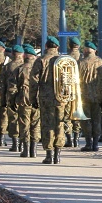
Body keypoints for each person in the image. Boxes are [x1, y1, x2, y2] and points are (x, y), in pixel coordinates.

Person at [31, 36, 65, 164]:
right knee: (59, 124)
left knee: (47, 124)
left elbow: (33, 81)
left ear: (46, 46)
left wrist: (33, 98)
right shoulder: (63, 60)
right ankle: (58, 154)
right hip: (61, 97)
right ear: (57, 47)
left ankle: (49, 155)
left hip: (45, 96)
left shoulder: (41, 60)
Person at [15, 44, 41, 158]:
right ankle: (34, 150)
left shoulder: (20, 69)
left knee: (24, 123)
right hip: (37, 98)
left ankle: (26, 150)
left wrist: (12, 101)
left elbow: (12, 87)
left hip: (23, 98)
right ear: (34, 57)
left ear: (25, 55)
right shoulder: (39, 68)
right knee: (35, 124)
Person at [77, 41, 102, 152]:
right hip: (97, 95)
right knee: (97, 119)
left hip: (83, 95)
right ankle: (96, 143)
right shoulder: (101, 62)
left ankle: (88, 143)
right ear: (94, 50)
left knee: (85, 119)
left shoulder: (80, 63)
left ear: (85, 51)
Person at [1, 46, 25, 151]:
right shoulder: (27, 66)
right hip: (25, 96)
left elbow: (2, 84)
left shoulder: (7, 66)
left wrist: (3, 99)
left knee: (13, 119)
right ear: (22, 54)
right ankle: (24, 143)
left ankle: (15, 143)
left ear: (12, 54)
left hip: (11, 95)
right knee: (25, 119)